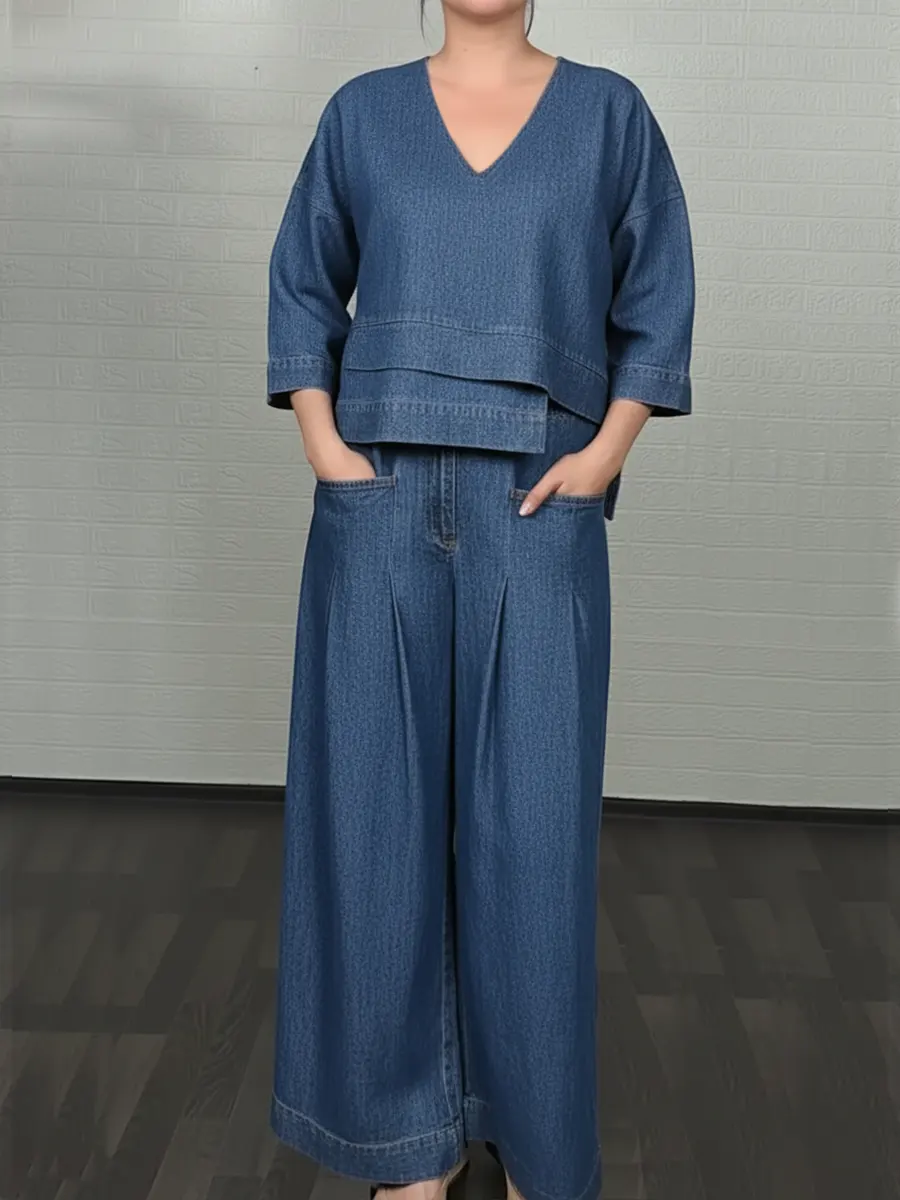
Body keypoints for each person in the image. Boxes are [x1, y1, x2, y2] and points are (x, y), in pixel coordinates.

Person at [265, 3, 695, 1200]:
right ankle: (406, 1150)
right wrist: (326, 447)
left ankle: (537, 1152)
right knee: (372, 824)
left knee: (532, 836)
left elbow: (657, 295)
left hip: (536, 501)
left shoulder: (608, 116)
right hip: (381, 494)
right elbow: (302, 284)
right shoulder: (361, 115)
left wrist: (604, 456)